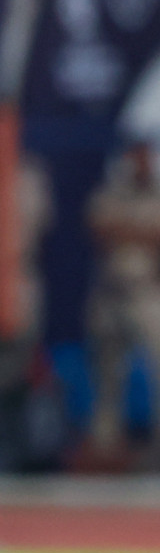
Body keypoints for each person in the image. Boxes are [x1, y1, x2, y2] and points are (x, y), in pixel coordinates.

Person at [85, 141, 160, 464]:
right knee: (108, 373)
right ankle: (106, 448)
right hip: (114, 290)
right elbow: (101, 229)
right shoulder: (110, 194)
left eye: (148, 159)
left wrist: (129, 230)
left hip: (152, 288)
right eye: (137, 158)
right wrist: (146, 231)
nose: (142, 165)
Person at [0, 154, 52, 470]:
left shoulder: (28, 174)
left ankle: (17, 452)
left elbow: (35, 227)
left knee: (18, 366)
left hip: (18, 280)